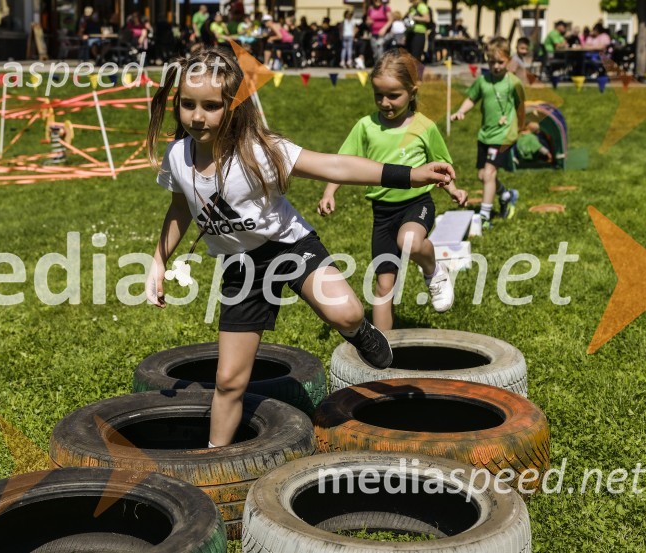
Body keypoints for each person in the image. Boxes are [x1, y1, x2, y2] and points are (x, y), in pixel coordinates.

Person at [145, 48, 456, 447]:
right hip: (241, 267)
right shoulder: (177, 156)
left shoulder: (259, 151)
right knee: (228, 380)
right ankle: (215, 459)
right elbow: (179, 208)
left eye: (211, 106)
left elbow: (335, 166)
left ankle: (359, 331)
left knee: (345, 313)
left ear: (233, 107)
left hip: (289, 246)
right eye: (188, 105)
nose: (197, 117)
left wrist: (410, 175)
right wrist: (158, 260)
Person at [318, 49, 467, 330]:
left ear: (412, 92)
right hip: (382, 214)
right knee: (384, 284)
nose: (385, 103)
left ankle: (434, 270)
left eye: (393, 96)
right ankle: (382, 347)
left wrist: (454, 191)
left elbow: (441, 167)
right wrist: (329, 192)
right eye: (379, 95)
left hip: (417, 204)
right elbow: (342, 162)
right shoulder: (366, 126)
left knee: (409, 240)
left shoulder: (424, 126)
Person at [451, 37, 525, 230]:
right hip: (485, 134)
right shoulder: (483, 81)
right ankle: (506, 195)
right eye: (492, 62)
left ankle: (484, 216)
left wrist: (518, 126)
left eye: (500, 62)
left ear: (508, 60)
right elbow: (471, 98)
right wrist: (461, 111)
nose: (496, 66)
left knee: (490, 173)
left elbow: (520, 105)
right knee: (482, 175)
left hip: (503, 136)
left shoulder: (514, 83)